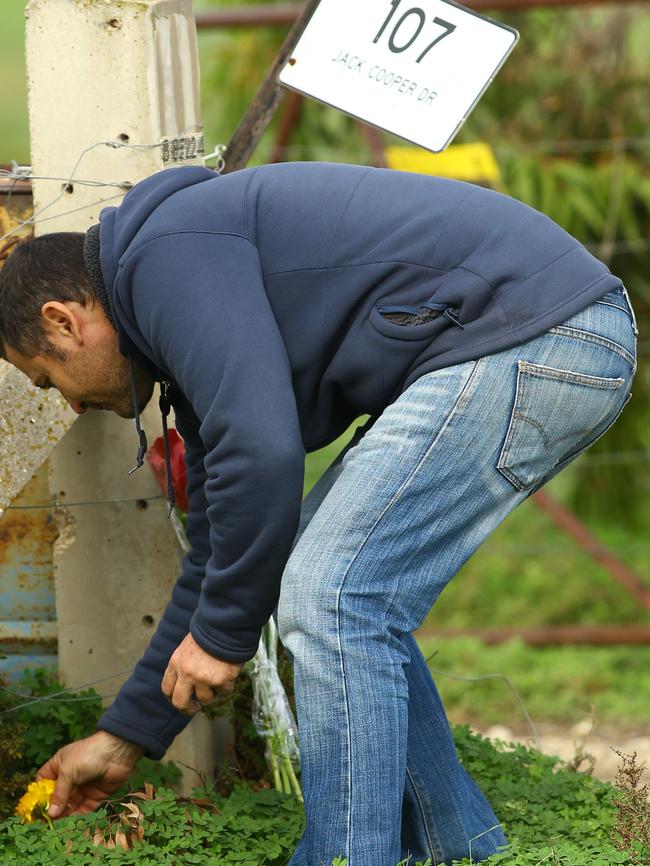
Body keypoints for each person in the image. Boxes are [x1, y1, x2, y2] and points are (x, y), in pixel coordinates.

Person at [0, 161, 638, 866]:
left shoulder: (164, 256)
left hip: (537, 333)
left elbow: (265, 452)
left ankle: (343, 856)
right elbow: (223, 557)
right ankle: (451, 841)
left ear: (63, 319)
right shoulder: (176, 318)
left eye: (45, 375)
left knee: (332, 591)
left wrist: (221, 639)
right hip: (529, 337)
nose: (66, 402)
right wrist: (122, 737)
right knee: (334, 582)